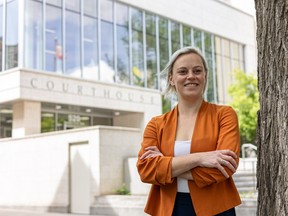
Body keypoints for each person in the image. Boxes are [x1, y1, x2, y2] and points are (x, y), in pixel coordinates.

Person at [136, 47, 241, 216]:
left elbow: (224, 167)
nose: (191, 76)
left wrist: (165, 165)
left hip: (217, 208)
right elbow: (146, 170)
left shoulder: (224, 115)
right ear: (171, 78)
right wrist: (200, 158)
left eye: (197, 71)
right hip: (169, 208)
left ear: (205, 75)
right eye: (183, 71)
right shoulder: (156, 124)